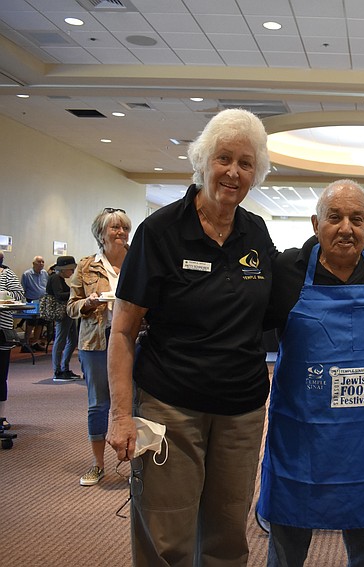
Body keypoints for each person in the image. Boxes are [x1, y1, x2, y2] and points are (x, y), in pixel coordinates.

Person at [106, 108, 276, 565]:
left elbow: (280, 308)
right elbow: (121, 332)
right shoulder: (160, 231)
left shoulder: (256, 232)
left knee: (227, 536)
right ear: (203, 161)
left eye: (246, 163)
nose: (233, 172)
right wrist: (121, 415)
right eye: (224, 158)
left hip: (241, 411)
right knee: (165, 535)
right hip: (169, 405)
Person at [258, 180, 364, 567]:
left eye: (357, 218)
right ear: (316, 222)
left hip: (363, 436)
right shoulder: (287, 269)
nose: (346, 228)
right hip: (300, 433)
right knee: (288, 531)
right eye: (335, 218)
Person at [68, 209, 132, 485]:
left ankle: (138, 467)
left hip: (134, 338)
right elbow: (71, 306)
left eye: (124, 228)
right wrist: (89, 303)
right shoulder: (86, 266)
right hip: (95, 341)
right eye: (115, 228)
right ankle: (97, 464)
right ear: (101, 234)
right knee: (99, 403)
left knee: (138, 402)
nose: (121, 233)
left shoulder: (139, 260)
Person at [1, 251, 26, 433]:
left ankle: (1, 417)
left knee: (1, 376)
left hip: (2, 330)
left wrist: (3, 294)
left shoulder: (7, 274)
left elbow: (20, 297)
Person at [46, 256, 80, 382]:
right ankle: (58, 370)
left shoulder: (58, 278)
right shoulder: (55, 278)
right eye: (71, 269)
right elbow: (59, 295)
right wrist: (74, 292)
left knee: (72, 340)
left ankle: (64, 368)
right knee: (61, 341)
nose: (72, 272)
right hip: (62, 314)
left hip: (67, 314)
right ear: (64, 269)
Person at [20, 255, 48, 352]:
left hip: (42, 301)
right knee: (30, 322)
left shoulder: (45, 273)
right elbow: (23, 289)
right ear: (33, 264)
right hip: (31, 300)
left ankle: (35, 342)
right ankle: (26, 343)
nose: (41, 264)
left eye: (42, 262)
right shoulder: (27, 274)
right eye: (39, 262)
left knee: (40, 322)